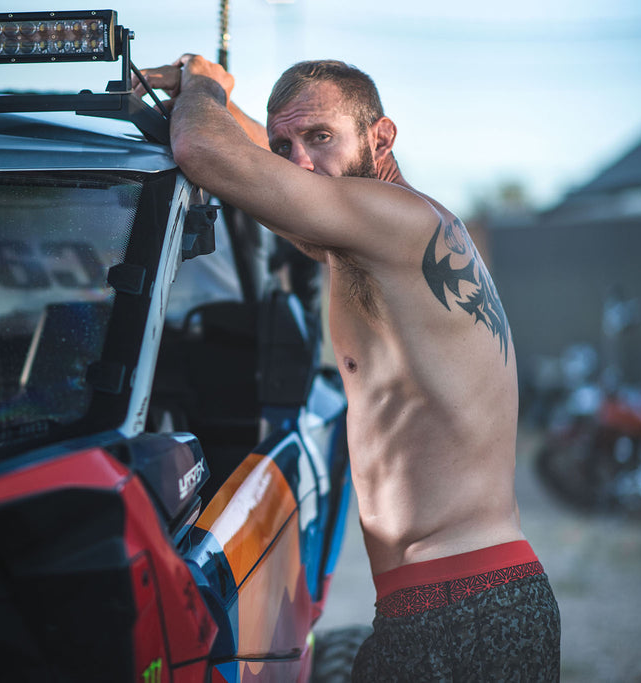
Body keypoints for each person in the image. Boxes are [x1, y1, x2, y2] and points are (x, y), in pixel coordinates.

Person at [136, 56, 560, 680]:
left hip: (462, 608)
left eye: (320, 136)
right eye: (285, 144)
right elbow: (275, 179)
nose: (300, 159)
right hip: (458, 602)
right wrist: (229, 112)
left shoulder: (395, 219)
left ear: (380, 138)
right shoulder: (383, 236)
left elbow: (203, 149)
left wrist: (202, 85)